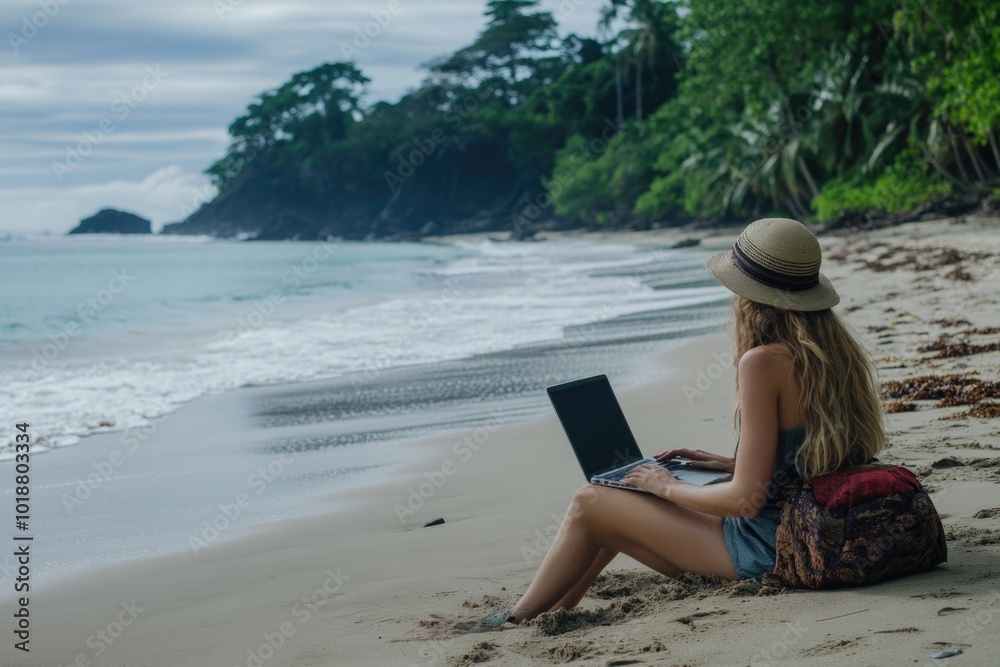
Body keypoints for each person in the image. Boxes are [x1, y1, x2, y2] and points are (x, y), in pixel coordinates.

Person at [452, 217, 887, 631]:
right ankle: (549, 611)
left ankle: (515, 619)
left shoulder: (762, 363)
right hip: (808, 522)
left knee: (591, 501)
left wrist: (664, 486)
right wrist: (723, 463)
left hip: (773, 546)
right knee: (617, 501)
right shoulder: (837, 351)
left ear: (751, 295)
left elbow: (745, 504)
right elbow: (821, 458)